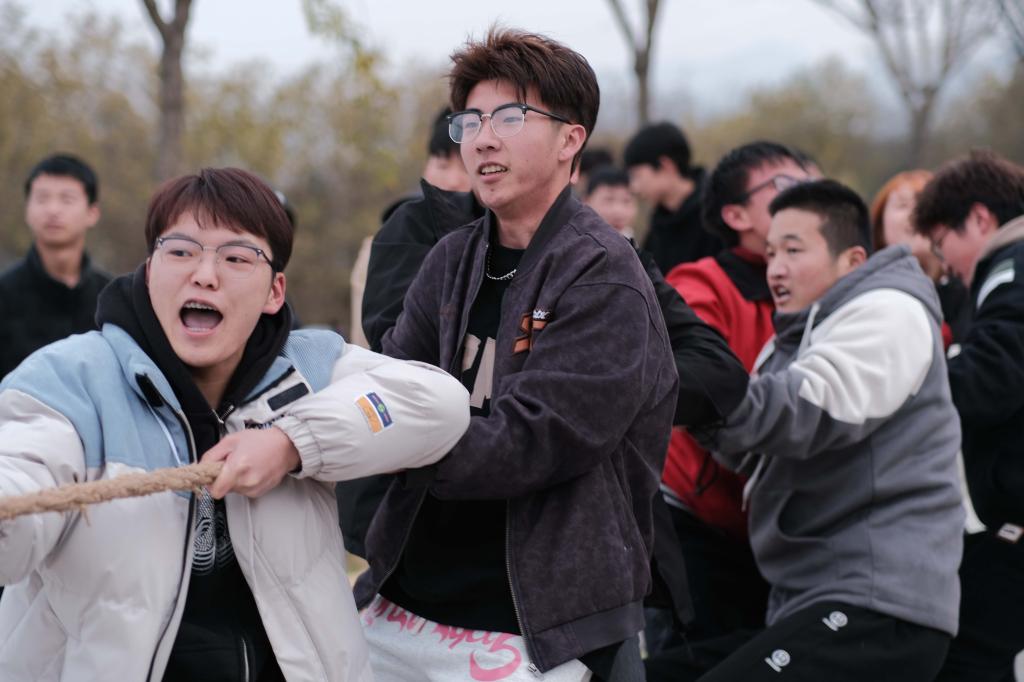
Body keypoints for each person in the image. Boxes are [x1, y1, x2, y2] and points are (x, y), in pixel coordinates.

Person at [0, 167, 471, 681]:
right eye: (181, 251)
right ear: (150, 271)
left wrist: (292, 443)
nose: (205, 274)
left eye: (237, 257)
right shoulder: (70, 379)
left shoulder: (308, 366)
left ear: (275, 291)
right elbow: (20, 480)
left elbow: (439, 402)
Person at [353, 28, 680, 681]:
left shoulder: (603, 273)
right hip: (410, 595)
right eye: (469, 121)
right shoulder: (450, 259)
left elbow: (536, 439)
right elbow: (393, 384)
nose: (482, 139)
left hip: (540, 623)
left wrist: (392, 442)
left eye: (509, 117)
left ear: (570, 139)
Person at [648, 179, 964, 682]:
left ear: (852, 260)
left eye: (794, 251)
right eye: (771, 252)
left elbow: (804, 410)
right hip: (805, 600)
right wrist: (697, 406)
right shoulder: (793, 339)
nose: (775, 268)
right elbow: (752, 449)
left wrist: (690, 385)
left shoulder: (891, 310)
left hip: (876, 602)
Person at [656, 141, 812, 645]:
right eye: (785, 186)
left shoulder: (828, 290)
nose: (807, 196)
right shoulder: (702, 284)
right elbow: (699, 384)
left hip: (785, 530)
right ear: (736, 215)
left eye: (810, 183)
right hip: (697, 521)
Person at [912, 150, 1024, 682]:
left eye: (942, 243)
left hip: (1012, 520)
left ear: (979, 218)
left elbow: (995, 370)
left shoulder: (1012, 269)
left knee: (965, 657)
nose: (944, 261)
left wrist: (905, 399)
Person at [0, 154, 110, 379]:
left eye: (66, 199)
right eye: (42, 199)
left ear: (92, 213)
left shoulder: (112, 299)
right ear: (27, 209)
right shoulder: (4, 295)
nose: (52, 209)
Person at [870, 170, 971, 346]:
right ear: (879, 226)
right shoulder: (867, 293)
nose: (915, 213)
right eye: (902, 205)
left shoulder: (970, 290)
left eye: (924, 204)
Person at [624, 122, 721, 273]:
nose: (634, 187)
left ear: (666, 166)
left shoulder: (716, 214)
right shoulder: (659, 225)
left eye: (637, 175)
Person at [583, 166, 638, 237]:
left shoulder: (630, 240)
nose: (619, 211)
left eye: (626, 201)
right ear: (586, 201)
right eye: (609, 200)